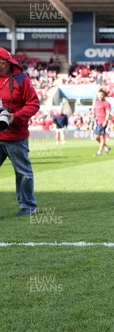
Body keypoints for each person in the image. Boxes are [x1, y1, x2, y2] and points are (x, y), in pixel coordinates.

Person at [0, 48, 41, 216]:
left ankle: (28, 205)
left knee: (23, 172)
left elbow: (34, 104)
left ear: (3, 62)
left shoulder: (21, 80)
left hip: (16, 136)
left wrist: (14, 117)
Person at [93, 89, 111, 156]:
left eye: (101, 95)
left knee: (101, 137)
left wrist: (105, 121)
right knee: (96, 137)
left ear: (104, 96)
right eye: (99, 95)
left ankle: (99, 152)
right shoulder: (97, 103)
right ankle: (106, 147)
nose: (100, 96)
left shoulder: (106, 103)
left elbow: (107, 113)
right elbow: (95, 112)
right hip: (98, 121)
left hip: (102, 121)